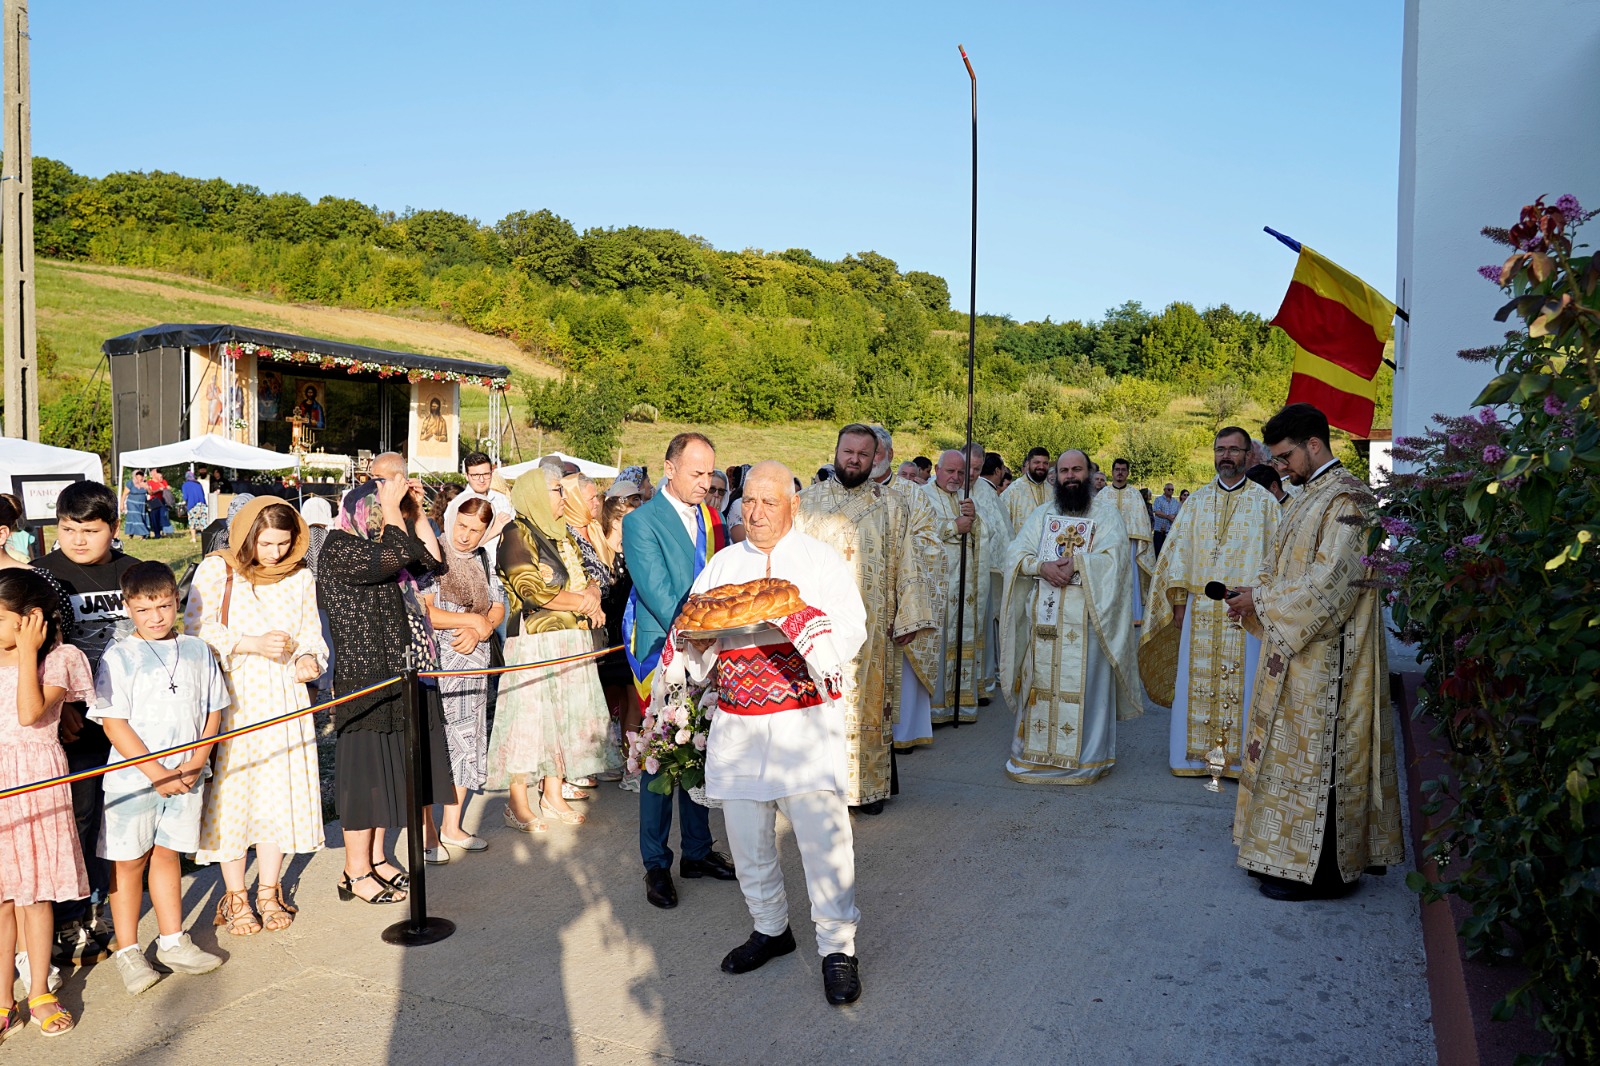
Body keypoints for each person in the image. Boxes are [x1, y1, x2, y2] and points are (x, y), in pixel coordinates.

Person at [676, 461, 868, 1005]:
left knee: (822, 840)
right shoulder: (722, 564)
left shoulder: (819, 561)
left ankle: (837, 947)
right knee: (746, 836)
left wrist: (804, 634)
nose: (756, 513)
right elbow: (695, 624)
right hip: (738, 724)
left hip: (801, 725)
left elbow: (851, 627)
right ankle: (771, 928)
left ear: (793, 505)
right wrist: (695, 643)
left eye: (769, 502)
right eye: (749, 503)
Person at [1227, 404, 1404, 901]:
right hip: (1294, 650)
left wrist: (1261, 601)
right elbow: (1277, 565)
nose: (1279, 467)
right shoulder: (1308, 498)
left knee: (1322, 761)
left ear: (1314, 445)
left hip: (1331, 661)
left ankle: (1323, 873)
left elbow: (1332, 586)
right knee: (1288, 760)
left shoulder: (1348, 499)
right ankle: (1282, 856)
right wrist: (1252, 594)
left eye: (1285, 457)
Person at [184, 498, 328, 934]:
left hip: (286, 698)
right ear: (247, 536)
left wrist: (308, 660)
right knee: (233, 796)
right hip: (236, 699)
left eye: (284, 544)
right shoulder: (217, 569)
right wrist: (251, 643)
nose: (276, 553)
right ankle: (235, 896)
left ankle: (268, 889)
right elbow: (194, 628)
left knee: (277, 795)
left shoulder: (300, 575)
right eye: (266, 543)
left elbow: (311, 634)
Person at [316, 455, 451, 905]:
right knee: (365, 777)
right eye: (381, 516)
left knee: (388, 773)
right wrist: (394, 510)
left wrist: (414, 508)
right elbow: (395, 553)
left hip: (401, 669)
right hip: (364, 678)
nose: (389, 523)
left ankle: (375, 859)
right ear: (362, 516)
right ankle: (355, 871)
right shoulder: (341, 547)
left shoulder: (385, 545)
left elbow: (432, 560)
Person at [91, 561, 228, 993]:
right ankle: (128, 950)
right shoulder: (119, 656)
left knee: (169, 854)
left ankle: (172, 940)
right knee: (128, 862)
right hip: (135, 781)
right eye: (144, 609)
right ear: (128, 607)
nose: (156, 618)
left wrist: (193, 762)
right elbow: (115, 724)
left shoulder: (196, 649)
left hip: (188, 774)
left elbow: (214, 710)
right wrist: (156, 773)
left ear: (176, 601)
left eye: (165, 607)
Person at [620, 433, 737, 909]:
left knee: (699, 746)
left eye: (709, 473)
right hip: (661, 650)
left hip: (706, 648)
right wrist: (702, 632)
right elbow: (658, 590)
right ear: (668, 469)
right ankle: (655, 863)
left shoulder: (712, 518)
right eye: (695, 472)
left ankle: (697, 850)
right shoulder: (641, 521)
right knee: (659, 755)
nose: (704, 482)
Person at [798, 425, 935, 816]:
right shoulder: (806, 503)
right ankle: (819, 790)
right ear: (836, 451)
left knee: (868, 706)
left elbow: (909, 561)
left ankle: (868, 788)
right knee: (820, 705)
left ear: (876, 457)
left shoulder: (893, 505)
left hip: (874, 628)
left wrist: (909, 617)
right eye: (847, 451)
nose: (854, 459)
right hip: (818, 628)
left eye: (863, 453)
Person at [33, 481, 141, 967]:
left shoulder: (134, 571)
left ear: (113, 530)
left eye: (90, 530)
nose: (77, 539)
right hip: (73, 724)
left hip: (130, 718)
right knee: (75, 817)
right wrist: (62, 705)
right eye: (68, 529)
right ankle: (67, 913)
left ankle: (109, 905)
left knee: (119, 815)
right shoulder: (44, 575)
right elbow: (31, 650)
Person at [1139, 428, 1280, 780]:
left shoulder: (1265, 504)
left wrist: (1259, 601)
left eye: (1235, 449)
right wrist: (1178, 604)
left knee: (1244, 684)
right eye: (1221, 449)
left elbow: (1277, 560)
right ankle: (1192, 759)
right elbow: (1178, 552)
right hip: (1199, 609)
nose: (1227, 456)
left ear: (1250, 456)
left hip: (1245, 611)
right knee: (1194, 683)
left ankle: (1238, 762)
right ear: (1213, 453)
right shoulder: (1197, 501)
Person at [999, 450, 1141, 784]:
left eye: (1077, 469)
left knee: (1087, 688)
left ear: (1090, 473)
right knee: (1039, 685)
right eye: (1064, 470)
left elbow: (1117, 562)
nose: (1070, 476)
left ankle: (1086, 759)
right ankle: (1033, 757)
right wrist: (1041, 566)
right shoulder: (1042, 515)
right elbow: (1016, 553)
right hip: (1045, 618)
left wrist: (1079, 564)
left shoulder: (1107, 516)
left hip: (1089, 621)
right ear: (1056, 476)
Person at [487, 465, 615, 831]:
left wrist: (591, 594)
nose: (563, 497)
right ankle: (517, 804)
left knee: (562, 719)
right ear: (536, 495)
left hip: (569, 639)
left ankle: (553, 795)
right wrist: (582, 601)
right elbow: (531, 590)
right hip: (534, 642)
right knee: (527, 722)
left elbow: (590, 572)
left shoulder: (562, 533)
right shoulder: (516, 533)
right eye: (557, 490)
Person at [0, 569, 94, 1036]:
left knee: (33, 894)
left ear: (31, 619)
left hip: (34, 779)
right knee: (1, 898)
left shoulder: (59, 659)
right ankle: (2, 1000)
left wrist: (29, 652)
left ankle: (38, 990)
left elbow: (28, 713)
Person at [422, 497, 507, 860]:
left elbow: (498, 603)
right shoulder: (433, 553)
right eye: (463, 526)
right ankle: (427, 834)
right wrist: (470, 622)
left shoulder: (484, 559)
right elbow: (425, 610)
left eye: (476, 531)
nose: (467, 536)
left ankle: (452, 826)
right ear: (451, 519)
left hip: (472, 666)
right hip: (440, 662)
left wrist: (484, 626)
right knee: (436, 746)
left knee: (467, 741)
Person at [560, 470, 618, 789]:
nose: (598, 502)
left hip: (597, 623)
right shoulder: (568, 533)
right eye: (591, 497)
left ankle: (593, 758)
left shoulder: (594, 529)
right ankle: (574, 765)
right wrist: (595, 589)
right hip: (575, 624)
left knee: (591, 695)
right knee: (575, 698)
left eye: (597, 496)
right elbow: (585, 578)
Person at [919, 450, 984, 724]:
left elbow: (982, 536)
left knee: (960, 638)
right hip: (936, 583)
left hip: (964, 585)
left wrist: (976, 520)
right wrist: (953, 527)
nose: (956, 478)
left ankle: (960, 703)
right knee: (939, 639)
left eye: (961, 473)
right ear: (937, 468)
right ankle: (934, 710)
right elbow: (916, 533)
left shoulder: (964, 499)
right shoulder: (921, 495)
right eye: (950, 471)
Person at [599, 484, 644, 788]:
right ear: (616, 522)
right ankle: (606, 758)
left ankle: (631, 765)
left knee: (631, 699)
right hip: (609, 635)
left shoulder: (631, 553)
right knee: (605, 703)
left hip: (627, 636)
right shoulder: (604, 553)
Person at [966, 446, 1012, 703]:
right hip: (952, 572)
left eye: (976, 468)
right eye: (968, 467)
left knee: (983, 624)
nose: (971, 473)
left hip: (983, 570)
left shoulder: (985, 491)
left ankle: (980, 683)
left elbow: (998, 530)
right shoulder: (943, 486)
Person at [1104, 458, 1155, 632]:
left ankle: (1133, 615)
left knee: (1131, 580)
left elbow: (1142, 523)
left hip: (1131, 545)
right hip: (1107, 545)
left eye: (1123, 470)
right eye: (1117, 469)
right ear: (1112, 472)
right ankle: (1108, 615)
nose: (1119, 472)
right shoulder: (1103, 495)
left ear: (1128, 473)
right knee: (1108, 579)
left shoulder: (1135, 495)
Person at [1002, 447, 1052, 532]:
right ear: (1028, 464)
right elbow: (1003, 525)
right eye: (1037, 462)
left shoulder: (1053, 491)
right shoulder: (1013, 491)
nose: (1041, 466)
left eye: (1045, 463)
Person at [1151, 482, 1181, 556]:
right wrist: (1168, 517)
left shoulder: (1175, 501)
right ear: (1164, 490)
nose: (1171, 491)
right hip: (1159, 530)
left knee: (1169, 553)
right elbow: (1157, 511)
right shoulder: (1158, 500)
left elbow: (1177, 513)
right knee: (1158, 551)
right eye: (1169, 489)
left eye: (1172, 490)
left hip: (1170, 531)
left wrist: (1173, 517)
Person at [120, 471, 151, 540]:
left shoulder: (145, 483)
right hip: (132, 503)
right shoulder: (130, 483)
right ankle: (144, 533)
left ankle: (131, 534)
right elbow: (124, 494)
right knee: (137, 517)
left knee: (136, 518)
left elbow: (151, 493)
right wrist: (121, 504)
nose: (139, 478)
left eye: (141, 476)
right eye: (138, 476)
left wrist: (147, 487)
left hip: (142, 504)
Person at [181, 471, 209, 542]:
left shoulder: (185, 485)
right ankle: (205, 538)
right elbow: (202, 494)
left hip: (192, 505)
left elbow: (185, 497)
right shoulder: (198, 484)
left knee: (192, 522)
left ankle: (193, 538)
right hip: (202, 504)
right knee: (203, 522)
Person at [145, 470, 171, 538]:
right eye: (159, 475)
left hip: (163, 501)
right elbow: (150, 492)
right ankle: (157, 533)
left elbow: (167, 488)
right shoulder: (149, 482)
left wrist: (168, 488)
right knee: (155, 518)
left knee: (163, 516)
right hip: (154, 501)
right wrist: (158, 490)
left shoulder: (163, 481)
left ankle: (165, 531)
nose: (161, 477)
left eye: (161, 476)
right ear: (154, 475)